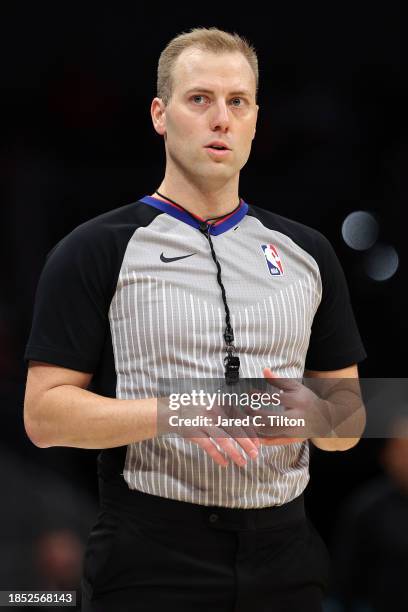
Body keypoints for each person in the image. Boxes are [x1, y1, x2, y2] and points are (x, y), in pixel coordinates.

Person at [23, 27, 367, 612]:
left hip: (286, 552)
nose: (221, 119)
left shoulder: (308, 253)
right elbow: (44, 415)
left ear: (257, 118)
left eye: (238, 102)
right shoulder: (96, 248)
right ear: (160, 114)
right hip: (152, 552)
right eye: (199, 99)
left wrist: (322, 415)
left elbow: (351, 416)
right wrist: (176, 411)